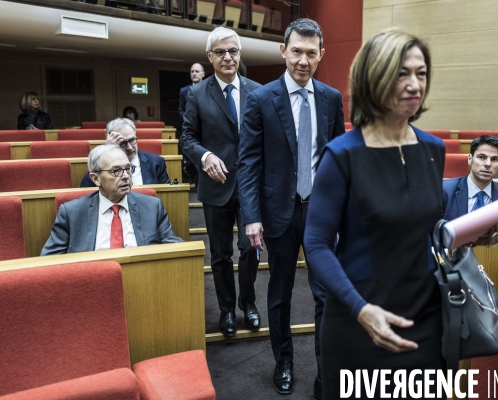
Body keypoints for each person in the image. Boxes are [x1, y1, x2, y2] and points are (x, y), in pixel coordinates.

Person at [303, 28, 498, 399]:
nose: (415, 83)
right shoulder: (341, 155)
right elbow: (317, 243)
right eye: (402, 73)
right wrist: (360, 309)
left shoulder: (432, 150)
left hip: (426, 316)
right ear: (375, 76)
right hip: (361, 319)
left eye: (421, 74)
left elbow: (427, 229)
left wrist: (479, 232)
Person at [237, 18, 345, 398]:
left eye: (311, 53)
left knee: (325, 294)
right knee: (280, 295)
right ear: (283, 51)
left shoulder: (331, 98)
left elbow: (338, 161)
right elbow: (248, 163)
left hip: (321, 212)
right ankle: (283, 361)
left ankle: (324, 368)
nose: (303, 60)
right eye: (296, 51)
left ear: (321, 55)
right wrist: (250, 217)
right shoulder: (261, 98)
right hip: (277, 212)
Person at [181, 27, 262, 338]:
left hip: (251, 187)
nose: (228, 57)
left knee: (250, 248)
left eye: (233, 51)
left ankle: (249, 303)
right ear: (209, 57)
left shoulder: (258, 91)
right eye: (220, 52)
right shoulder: (196, 94)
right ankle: (227, 309)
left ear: (239, 54)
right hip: (215, 186)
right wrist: (205, 157)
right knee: (220, 254)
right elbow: (187, 138)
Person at [41, 145, 182, 255]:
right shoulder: (72, 213)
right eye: (116, 171)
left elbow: (174, 247)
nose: (126, 176)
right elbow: (50, 259)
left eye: (128, 169)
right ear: (96, 178)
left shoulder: (152, 206)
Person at [80, 118, 170, 187]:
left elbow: (165, 194)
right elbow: (85, 188)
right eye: (123, 143)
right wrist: (107, 150)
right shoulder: (103, 162)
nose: (129, 147)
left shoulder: (156, 162)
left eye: (132, 140)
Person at [443, 135, 498, 220]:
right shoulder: (445, 191)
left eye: (494, 159)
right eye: (481, 157)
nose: (488, 164)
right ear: (470, 159)